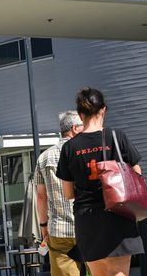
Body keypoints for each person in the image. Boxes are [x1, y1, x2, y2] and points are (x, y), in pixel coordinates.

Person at [56, 87, 144, 276]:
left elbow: (68, 193)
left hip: (87, 219)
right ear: (103, 109)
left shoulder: (70, 148)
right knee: (119, 272)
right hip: (118, 214)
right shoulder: (116, 137)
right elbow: (138, 175)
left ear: (80, 115)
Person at [34, 110, 85, 276]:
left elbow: (41, 197)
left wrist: (43, 227)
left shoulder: (44, 158)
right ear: (75, 128)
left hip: (60, 230)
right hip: (89, 226)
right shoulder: (84, 151)